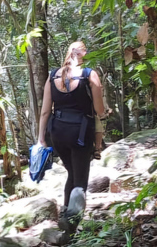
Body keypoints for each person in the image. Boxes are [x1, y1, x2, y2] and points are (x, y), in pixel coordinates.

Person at [38, 41, 109, 232]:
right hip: (80, 133)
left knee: (71, 171)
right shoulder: (89, 75)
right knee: (80, 180)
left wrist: (41, 138)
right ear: (83, 53)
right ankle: (71, 223)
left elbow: (45, 112)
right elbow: (99, 110)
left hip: (58, 132)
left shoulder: (53, 76)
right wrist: (105, 112)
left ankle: (65, 213)